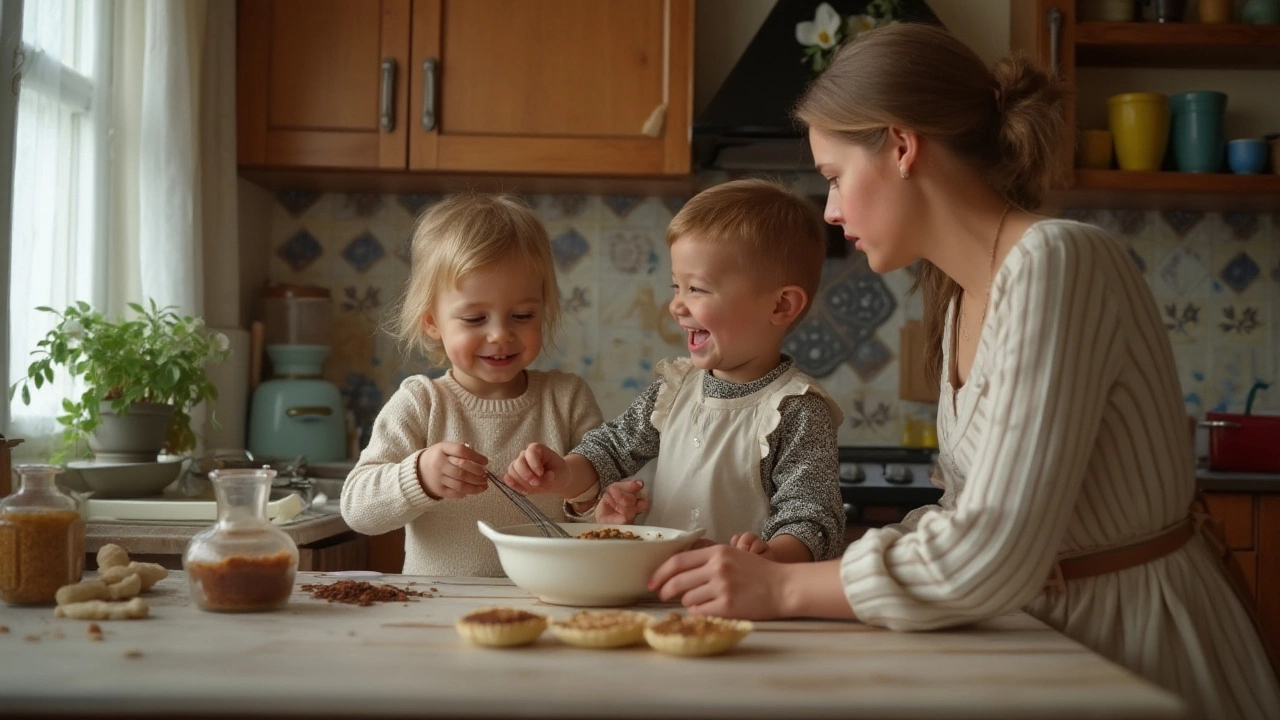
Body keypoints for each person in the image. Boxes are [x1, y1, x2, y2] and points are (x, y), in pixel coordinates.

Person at [646, 23, 1280, 720]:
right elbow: (965, 519)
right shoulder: (959, 301)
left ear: (900, 145)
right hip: (1044, 638)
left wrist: (782, 592)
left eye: (832, 177)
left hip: (1136, 648)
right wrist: (796, 565)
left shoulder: (1058, 260)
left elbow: (991, 550)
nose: (829, 211)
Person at [503, 179, 846, 563]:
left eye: (696, 289)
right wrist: (564, 474)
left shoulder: (798, 410)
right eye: (675, 287)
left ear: (781, 306)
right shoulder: (674, 388)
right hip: (660, 593)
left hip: (748, 605)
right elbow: (612, 449)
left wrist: (767, 560)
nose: (677, 306)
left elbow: (812, 520)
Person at [340, 194, 603, 577]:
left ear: (543, 311)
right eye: (475, 317)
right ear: (432, 321)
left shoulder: (567, 399)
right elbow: (357, 510)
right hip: (436, 613)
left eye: (522, 315)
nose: (500, 334)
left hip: (547, 603)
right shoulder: (421, 402)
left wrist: (575, 488)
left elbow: (611, 511)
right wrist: (420, 476)